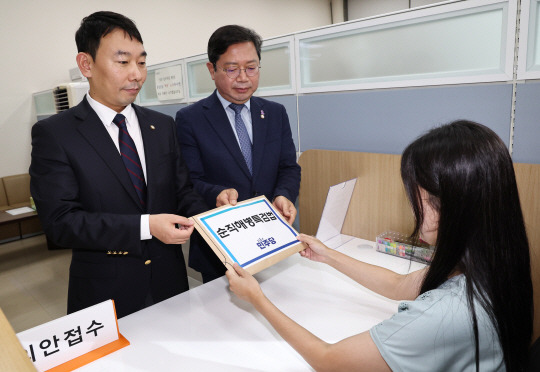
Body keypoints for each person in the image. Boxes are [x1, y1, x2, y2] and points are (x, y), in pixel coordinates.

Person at [226, 120, 533, 371]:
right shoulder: (495, 262)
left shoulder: (448, 312)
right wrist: (329, 255)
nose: (412, 208)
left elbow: (328, 360)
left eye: (416, 197)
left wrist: (257, 298)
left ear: (450, 207)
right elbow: (400, 283)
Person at [29, 11, 209, 318]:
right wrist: (146, 226)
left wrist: (213, 212)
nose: (137, 74)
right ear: (86, 64)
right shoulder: (56, 134)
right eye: (123, 62)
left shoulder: (162, 126)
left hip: (170, 285)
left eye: (141, 62)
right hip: (105, 294)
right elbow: (61, 223)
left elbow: (182, 193)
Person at [175, 25, 301, 283]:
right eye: (231, 69)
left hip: (271, 237)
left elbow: (288, 167)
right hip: (220, 248)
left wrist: (283, 195)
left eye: (251, 68)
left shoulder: (275, 113)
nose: (243, 78)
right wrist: (216, 193)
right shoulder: (191, 119)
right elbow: (188, 181)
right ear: (212, 70)